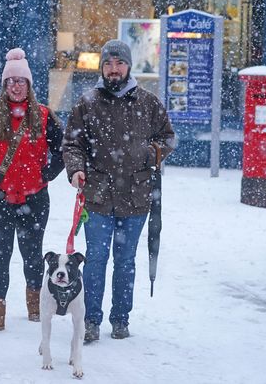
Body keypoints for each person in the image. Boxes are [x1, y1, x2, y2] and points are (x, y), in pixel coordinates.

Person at [62, 39, 175, 341]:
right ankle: (90, 320)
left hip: (136, 197)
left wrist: (150, 154)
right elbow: (72, 143)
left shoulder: (148, 103)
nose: (114, 69)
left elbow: (168, 138)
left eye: (119, 63)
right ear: (102, 67)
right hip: (98, 196)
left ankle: (121, 319)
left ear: (128, 66)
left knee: (125, 261)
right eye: (109, 64)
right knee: (96, 260)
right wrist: (76, 169)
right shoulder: (87, 102)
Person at [0, 47, 64, 332]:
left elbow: (62, 151)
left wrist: (46, 173)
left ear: (29, 85)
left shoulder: (45, 116)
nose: (15, 85)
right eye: (10, 81)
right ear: (4, 85)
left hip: (35, 198)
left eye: (20, 81)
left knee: (32, 252)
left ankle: (35, 305)